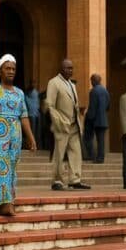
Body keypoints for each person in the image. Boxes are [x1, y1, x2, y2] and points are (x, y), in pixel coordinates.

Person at [0, 54, 37, 216]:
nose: (11, 71)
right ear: (0, 71)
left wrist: (31, 137)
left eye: (13, 69)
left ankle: (8, 201)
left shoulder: (19, 93)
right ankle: (3, 203)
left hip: (15, 134)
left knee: (12, 167)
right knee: (1, 166)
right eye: (7, 68)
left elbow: (24, 116)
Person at [46, 59, 90, 190]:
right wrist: (59, 121)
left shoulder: (72, 84)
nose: (70, 70)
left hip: (74, 125)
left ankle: (75, 180)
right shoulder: (54, 83)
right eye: (67, 68)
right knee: (59, 153)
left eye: (71, 68)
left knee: (76, 152)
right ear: (61, 69)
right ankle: (57, 181)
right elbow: (50, 105)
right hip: (62, 125)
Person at [83, 73, 110, 163]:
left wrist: (88, 118)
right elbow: (108, 106)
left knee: (88, 137)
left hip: (94, 120)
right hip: (103, 119)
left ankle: (91, 155)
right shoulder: (106, 91)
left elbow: (92, 107)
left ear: (94, 81)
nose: (91, 83)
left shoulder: (93, 91)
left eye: (91, 81)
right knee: (101, 140)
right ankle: (100, 157)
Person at [25, 81, 42, 149]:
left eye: (35, 83)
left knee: (37, 132)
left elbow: (38, 103)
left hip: (37, 114)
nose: (34, 84)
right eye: (33, 83)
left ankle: (35, 145)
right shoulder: (27, 94)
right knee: (32, 131)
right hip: (31, 114)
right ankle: (31, 145)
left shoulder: (36, 92)